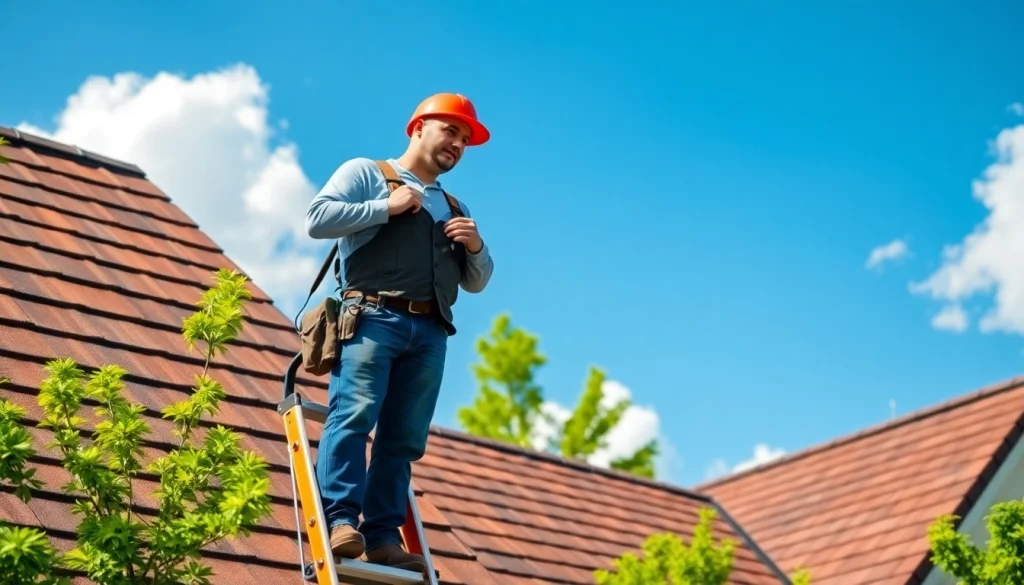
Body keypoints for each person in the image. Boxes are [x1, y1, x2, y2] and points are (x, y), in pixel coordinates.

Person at [304, 93, 494, 572]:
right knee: (354, 416)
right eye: (450, 130)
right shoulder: (367, 173)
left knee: (403, 439)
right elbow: (317, 219)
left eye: (465, 138)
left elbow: (476, 282)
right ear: (418, 128)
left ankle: (383, 536)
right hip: (372, 317)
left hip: (431, 333)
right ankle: (340, 520)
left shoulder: (455, 206)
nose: (458, 143)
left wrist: (476, 247)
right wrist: (384, 206)